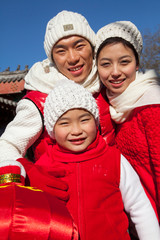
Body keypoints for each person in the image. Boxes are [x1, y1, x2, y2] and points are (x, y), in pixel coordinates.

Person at [26, 78, 160, 240]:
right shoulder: (43, 167)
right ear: (52, 129)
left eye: (84, 120)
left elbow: (139, 207)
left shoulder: (114, 160)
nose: (76, 130)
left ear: (96, 121)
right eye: (64, 123)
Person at [0, 10, 114, 200]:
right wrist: (28, 172)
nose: (72, 58)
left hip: (110, 200)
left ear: (92, 48)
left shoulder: (108, 84)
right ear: (52, 57)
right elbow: (6, 146)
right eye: (61, 51)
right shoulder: (40, 100)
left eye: (79, 46)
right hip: (61, 202)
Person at [95, 21, 160, 223]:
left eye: (124, 62)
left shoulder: (151, 104)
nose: (115, 72)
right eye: (106, 64)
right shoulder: (106, 108)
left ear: (137, 63)